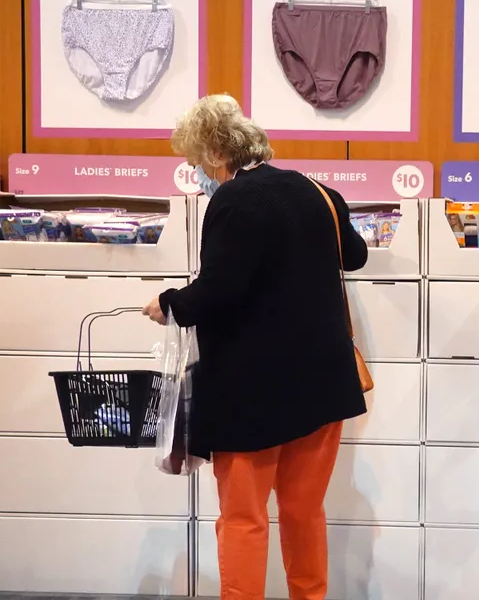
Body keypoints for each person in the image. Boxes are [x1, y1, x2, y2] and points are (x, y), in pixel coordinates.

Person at [142, 94, 368, 600]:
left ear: (216, 156)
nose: (197, 175)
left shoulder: (233, 200)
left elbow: (220, 290)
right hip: (324, 388)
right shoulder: (318, 190)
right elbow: (354, 255)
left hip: (254, 397)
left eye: (196, 163)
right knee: (304, 513)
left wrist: (169, 302)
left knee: (243, 520)